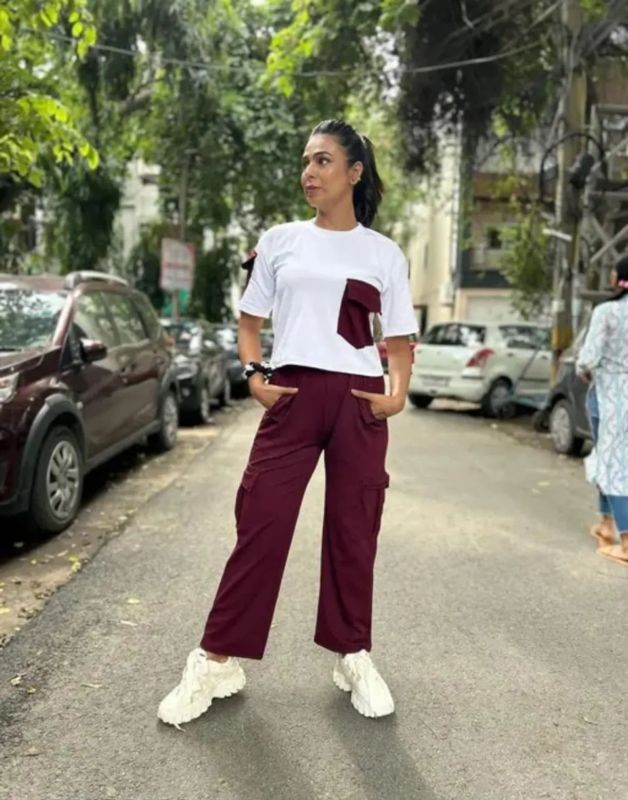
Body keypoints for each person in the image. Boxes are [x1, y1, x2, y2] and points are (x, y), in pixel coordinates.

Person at [158, 119, 418, 725]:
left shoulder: (384, 253)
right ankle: (216, 661)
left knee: (355, 529)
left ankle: (353, 653)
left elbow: (400, 336)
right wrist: (254, 376)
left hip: (359, 400)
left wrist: (398, 394)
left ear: (354, 172)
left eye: (323, 160)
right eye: (306, 161)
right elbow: (250, 322)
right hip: (294, 395)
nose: (309, 172)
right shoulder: (280, 241)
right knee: (262, 522)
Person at [577, 254, 628, 564]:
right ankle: (606, 524)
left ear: (617, 278)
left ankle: (626, 543)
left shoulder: (607, 312)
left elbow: (588, 359)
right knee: (608, 459)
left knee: (614, 464)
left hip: (611, 398)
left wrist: (584, 370)